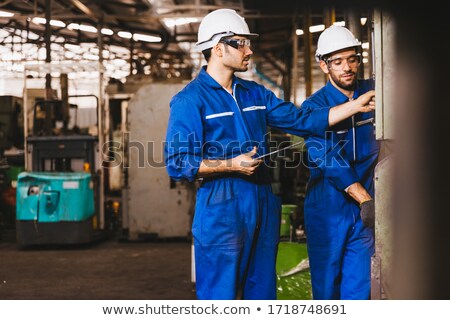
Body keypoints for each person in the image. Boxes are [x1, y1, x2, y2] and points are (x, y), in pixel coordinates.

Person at [164, 9, 375, 300]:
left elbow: (302, 121)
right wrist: (230, 164)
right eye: (241, 43)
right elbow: (177, 163)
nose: (249, 50)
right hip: (222, 205)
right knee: (219, 295)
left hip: (263, 198)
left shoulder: (256, 94)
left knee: (262, 294)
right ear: (217, 48)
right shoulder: (190, 100)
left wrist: (355, 105)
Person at [301, 25, 380, 300]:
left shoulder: (376, 92)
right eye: (337, 62)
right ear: (324, 65)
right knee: (327, 291)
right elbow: (329, 159)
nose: (347, 67)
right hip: (328, 208)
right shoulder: (313, 108)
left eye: (352, 59)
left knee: (360, 289)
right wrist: (365, 200)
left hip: (366, 207)